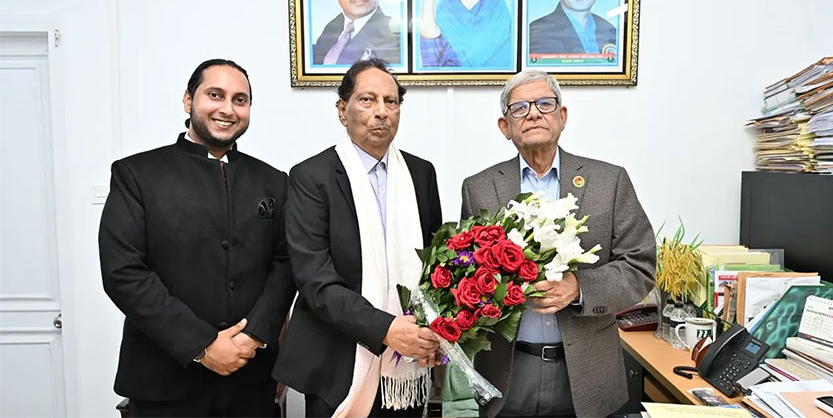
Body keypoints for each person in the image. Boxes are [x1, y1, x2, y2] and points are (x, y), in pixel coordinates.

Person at [98, 59, 295, 417]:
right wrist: (202, 345)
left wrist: (253, 336)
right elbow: (123, 273)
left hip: (250, 379)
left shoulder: (273, 181)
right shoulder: (137, 175)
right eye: (215, 95)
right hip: (163, 381)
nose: (228, 109)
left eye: (240, 100)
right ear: (189, 100)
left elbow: (284, 266)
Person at [461, 69, 655, 417]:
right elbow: (469, 276)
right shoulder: (480, 188)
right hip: (508, 373)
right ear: (505, 126)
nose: (533, 113)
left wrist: (579, 288)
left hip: (586, 372)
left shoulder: (608, 181)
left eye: (544, 104)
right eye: (520, 108)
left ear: (562, 116)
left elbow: (640, 266)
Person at [273, 59, 443, 417]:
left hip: (408, 361)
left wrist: (431, 331)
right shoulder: (311, 177)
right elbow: (315, 280)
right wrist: (386, 329)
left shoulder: (421, 174)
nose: (382, 112)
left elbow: (435, 266)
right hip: (335, 359)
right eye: (367, 100)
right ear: (342, 110)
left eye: (391, 101)